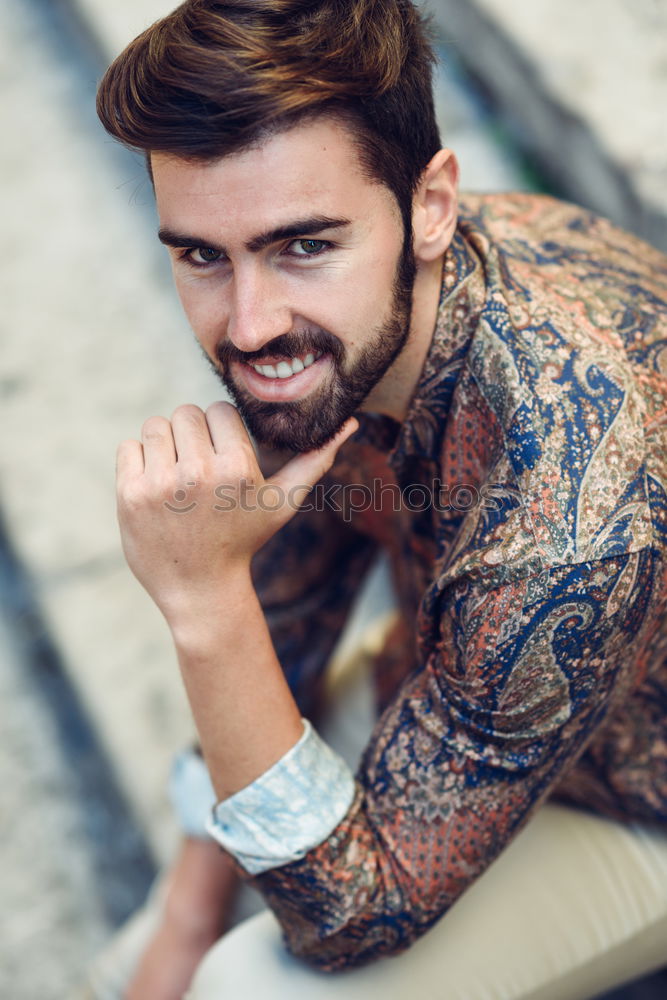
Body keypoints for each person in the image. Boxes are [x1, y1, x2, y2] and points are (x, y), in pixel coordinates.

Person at [92, 0, 667, 996]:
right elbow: (295, 584)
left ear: (430, 204)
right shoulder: (362, 320)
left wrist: (200, 600)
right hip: (466, 672)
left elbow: (351, 914)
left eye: (301, 246)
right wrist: (188, 909)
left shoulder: (574, 516)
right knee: (152, 950)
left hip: (633, 792)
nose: (251, 326)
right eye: (200, 255)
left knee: (251, 985)